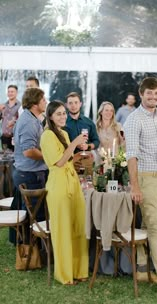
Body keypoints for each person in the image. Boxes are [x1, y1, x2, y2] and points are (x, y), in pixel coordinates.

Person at [124, 77, 157, 297]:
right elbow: (131, 156)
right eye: (149, 93)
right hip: (144, 179)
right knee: (155, 227)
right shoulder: (133, 120)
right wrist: (135, 186)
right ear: (141, 94)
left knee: (147, 222)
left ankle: (143, 269)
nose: (153, 97)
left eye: (156, 94)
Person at [40, 100, 88, 285]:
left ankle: (79, 270)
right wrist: (75, 143)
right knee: (63, 230)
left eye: (64, 113)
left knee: (77, 226)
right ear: (50, 116)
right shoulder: (47, 136)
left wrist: (78, 151)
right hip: (58, 185)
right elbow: (59, 162)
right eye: (58, 113)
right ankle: (65, 274)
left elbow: (68, 160)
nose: (63, 116)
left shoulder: (65, 133)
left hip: (73, 182)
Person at [13, 87, 48, 211]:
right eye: (43, 99)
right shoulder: (29, 122)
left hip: (28, 173)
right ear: (34, 103)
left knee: (30, 214)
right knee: (37, 216)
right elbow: (28, 151)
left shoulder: (32, 118)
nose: (46, 102)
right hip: (31, 175)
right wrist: (49, 156)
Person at [64, 92, 100, 174]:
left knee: (87, 185)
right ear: (66, 105)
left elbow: (96, 141)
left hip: (86, 160)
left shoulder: (89, 122)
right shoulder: (62, 123)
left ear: (80, 104)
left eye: (76, 102)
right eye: (70, 103)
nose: (73, 105)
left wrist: (88, 146)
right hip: (68, 161)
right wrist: (74, 145)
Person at [0, 85, 21, 150]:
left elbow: (22, 121)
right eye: (9, 92)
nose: (10, 93)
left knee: (15, 157)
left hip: (15, 137)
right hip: (4, 137)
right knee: (5, 157)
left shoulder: (20, 106)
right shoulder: (3, 105)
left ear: (16, 93)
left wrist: (14, 122)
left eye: (12, 92)